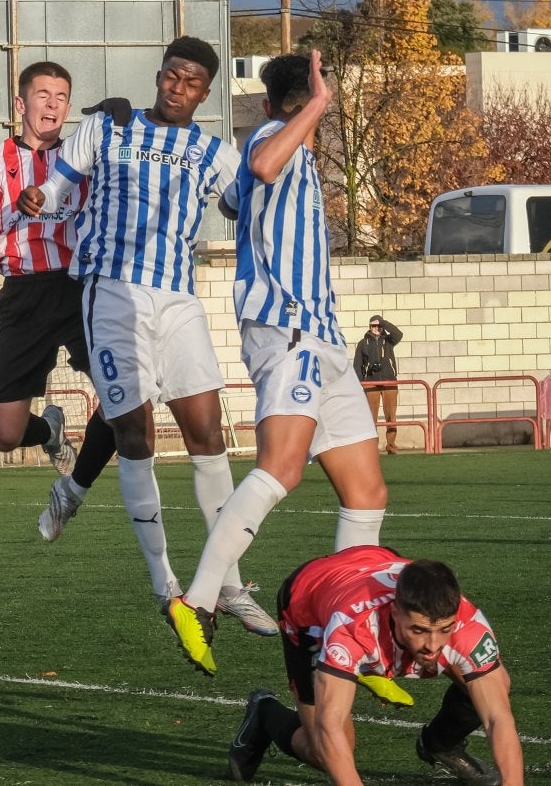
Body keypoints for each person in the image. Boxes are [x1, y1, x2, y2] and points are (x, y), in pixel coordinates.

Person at [19, 36, 274, 634]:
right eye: (171, 77)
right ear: (159, 76)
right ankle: (167, 586)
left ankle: (228, 586)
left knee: (207, 433)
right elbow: (54, 188)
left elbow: (252, 196)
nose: (178, 89)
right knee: (134, 433)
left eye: (191, 83)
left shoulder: (213, 152)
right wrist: (37, 196)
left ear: (206, 93)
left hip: (179, 299)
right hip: (112, 291)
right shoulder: (110, 128)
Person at [166, 51, 388, 675]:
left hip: (326, 340)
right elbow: (260, 163)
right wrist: (317, 105)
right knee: (281, 469)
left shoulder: (300, 155)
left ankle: (351, 638)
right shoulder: (269, 138)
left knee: (367, 491)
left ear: (269, 100)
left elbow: (238, 196)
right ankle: (197, 601)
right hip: (287, 331)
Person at [0, 63, 120, 521]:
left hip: (81, 289)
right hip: (23, 294)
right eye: (43, 94)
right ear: (21, 104)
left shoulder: (85, 156)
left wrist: (124, 116)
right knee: (3, 434)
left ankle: (75, 489)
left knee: (124, 402)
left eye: (62, 95)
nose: (53, 103)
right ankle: (51, 431)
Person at [228, 547, 521, 786]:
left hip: (375, 560)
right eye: (419, 631)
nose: (433, 644)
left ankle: (440, 743)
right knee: (323, 749)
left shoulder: (468, 626)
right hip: (308, 603)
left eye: (444, 629)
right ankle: (266, 713)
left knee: (494, 684)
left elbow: (498, 719)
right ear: (394, 612)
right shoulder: (351, 629)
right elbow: (330, 725)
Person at [355, 315, 404, 454]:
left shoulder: (388, 341)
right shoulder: (363, 343)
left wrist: (383, 323)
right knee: (371, 417)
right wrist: (360, 383)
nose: (376, 328)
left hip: (389, 381)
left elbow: (398, 334)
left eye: (378, 326)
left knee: (391, 415)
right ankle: (372, 447)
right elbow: (357, 365)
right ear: (369, 327)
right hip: (371, 382)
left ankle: (391, 445)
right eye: (373, 326)